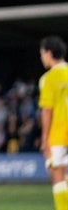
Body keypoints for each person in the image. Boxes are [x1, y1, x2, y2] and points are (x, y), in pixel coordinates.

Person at [38, 35, 68, 210]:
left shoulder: (48, 79)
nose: (42, 57)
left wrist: (44, 139)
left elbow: (47, 111)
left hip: (58, 133)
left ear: (49, 53)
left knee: (57, 177)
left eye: (42, 53)